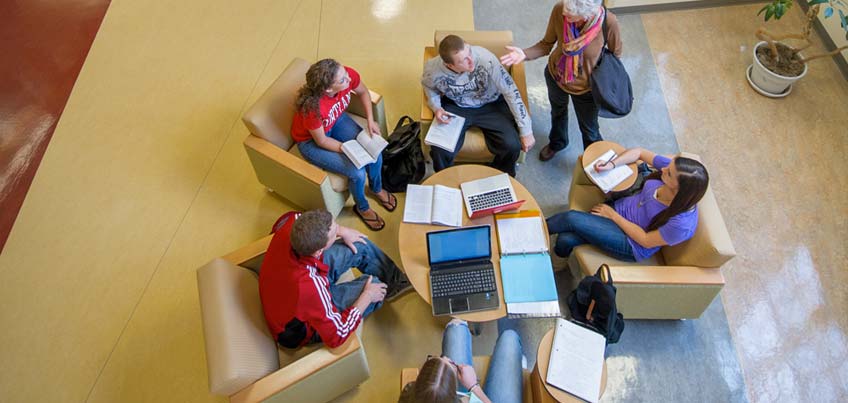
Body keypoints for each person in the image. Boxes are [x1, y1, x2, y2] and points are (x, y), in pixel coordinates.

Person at [259, 210, 411, 349]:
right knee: (375, 286)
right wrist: (367, 295)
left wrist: (342, 231)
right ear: (319, 251)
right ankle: (381, 289)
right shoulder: (309, 286)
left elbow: (292, 218)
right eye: (334, 235)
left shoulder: (294, 222)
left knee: (358, 244)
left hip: (289, 286)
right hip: (298, 328)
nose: (338, 230)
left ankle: (396, 283)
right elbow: (337, 335)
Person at [500, 0, 622, 161]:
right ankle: (558, 142)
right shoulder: (561, 9)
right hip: (556, 76)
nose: (565, 16)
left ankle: (594, 160)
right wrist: (524, 54)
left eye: (572, 16)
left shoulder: (609, 22)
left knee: (589, 128)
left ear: (588, 15)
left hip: (586, 89)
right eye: (565, 11)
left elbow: (615, 54)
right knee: (558, 112)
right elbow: (546, 44)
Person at [546, 148, 709, 262]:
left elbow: (645, 240)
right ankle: (557, 262)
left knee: (570, 218)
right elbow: (639, 152)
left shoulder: (681, 225)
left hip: (631, 242)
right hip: (619, 209)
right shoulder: (673, 172)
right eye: (668, 166)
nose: (664, 168)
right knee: (565, 239)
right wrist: (612, 164)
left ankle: (531, 231)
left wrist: (612, 215)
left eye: (669, 172)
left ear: (678, 189)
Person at [291, 59, 396, 231]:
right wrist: (348, 149)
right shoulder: (313, 109)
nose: (348, 79)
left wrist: (370, 120)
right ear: (328, 89)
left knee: (374, 153)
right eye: (342, 80)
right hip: (311, 142)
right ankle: (362, 207)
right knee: (358, 173)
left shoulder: (346, 74)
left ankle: (377, 189)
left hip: (336, 121)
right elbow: (322, 141)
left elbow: (362, 92)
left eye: (346, 76)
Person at [421, 34, 535, 177]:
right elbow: (429, 87)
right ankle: (446, 179)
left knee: (512, 145)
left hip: (491, 104)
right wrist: (437, 107)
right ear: (449, 65)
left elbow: (510, 90)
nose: (471, 60)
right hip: (457, 105)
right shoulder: (432, 69)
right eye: (463, 60)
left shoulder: (485, 58)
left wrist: (526, 130)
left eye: (469, 52)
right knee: (440, 150)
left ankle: (500, 176)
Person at [399, 319, 524, 403]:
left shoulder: (407, 393)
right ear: (454, 394)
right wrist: (474, 387)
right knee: (510, 338)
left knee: (456, 326)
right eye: (451, 363)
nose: (447, 357)